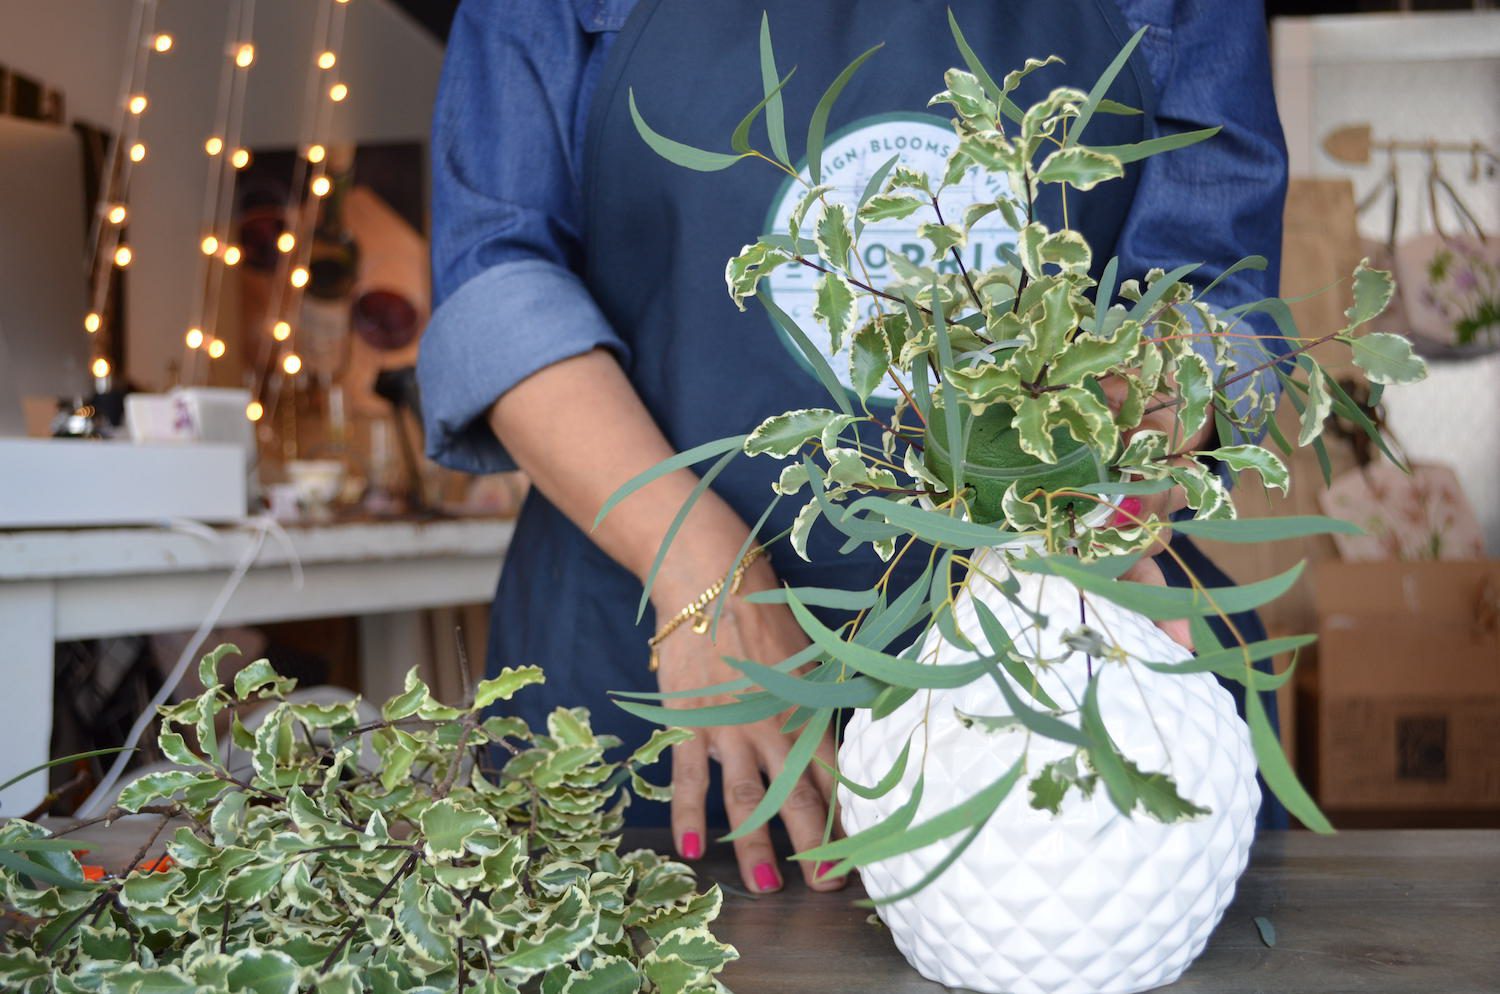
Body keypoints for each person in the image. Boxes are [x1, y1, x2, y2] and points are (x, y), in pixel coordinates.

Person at [417, 0, 1291, 896]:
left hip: (1050, 666)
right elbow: (496, 276)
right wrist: (697, 569)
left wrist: (1134, 437)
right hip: (654, 664)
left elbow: (1219, 290)